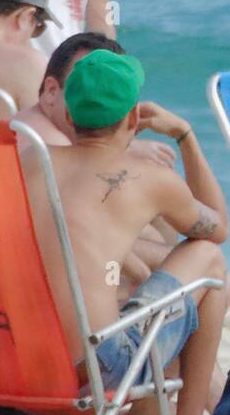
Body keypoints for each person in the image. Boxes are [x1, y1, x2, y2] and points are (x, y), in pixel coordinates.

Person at [23, 49, 230, 415]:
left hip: (26, 362)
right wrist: (185, 135)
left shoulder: (31, 160)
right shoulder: (149, 178)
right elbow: (218, 228)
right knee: (209, 259)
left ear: (67, 115)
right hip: (99, 370)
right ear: (134, 118)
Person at [16, 30, 179, 285]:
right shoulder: (43, 148)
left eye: (105, 88)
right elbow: (76, 235)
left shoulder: (34, 133)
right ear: (50, 91)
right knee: (187, 259)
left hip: (37, 268)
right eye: (83, 83)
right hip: (50, 283)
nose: (93, 97)